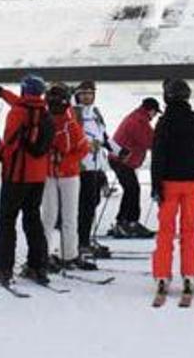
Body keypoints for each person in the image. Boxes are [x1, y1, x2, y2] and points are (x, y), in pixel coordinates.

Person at [150, 79, 194, 297]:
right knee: (189, 228)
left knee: (166, 230)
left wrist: (156, 184)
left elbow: (157, 157)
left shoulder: (163, 124)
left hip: (168, 182)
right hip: (193, 182)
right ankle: (189, 273)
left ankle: (162, 274)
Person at [0, 75, 53, 284]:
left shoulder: (18, 112)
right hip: (38, 177)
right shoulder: (44, 113)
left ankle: (3, 268)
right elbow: (23, 102)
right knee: (33, 219)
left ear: (25, 91)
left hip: (16, 175)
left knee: (7, 221)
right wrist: (3, 94)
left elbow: (11, 143)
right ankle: (38, 266)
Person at [40, 83, 93, 271]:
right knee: (50, 215)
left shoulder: (69, 121)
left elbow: (83, 147)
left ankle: (68, 254)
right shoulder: (45, 119)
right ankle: (44, 254)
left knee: (69, 215)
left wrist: (66, 159)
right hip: (51, 173)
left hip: (67, 174)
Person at [107, 97, 161, 238]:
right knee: (132, 189)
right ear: (151, 111)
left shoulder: (137, 118)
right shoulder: (138, 121)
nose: (154, 117)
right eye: (155, 113)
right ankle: (130, 222)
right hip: (121, 160)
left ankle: (123, 221)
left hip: (122, 160)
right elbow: (149, 142)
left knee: (131, 189)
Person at [74, 80, 113, 259]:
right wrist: (88, 145)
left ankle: (85, 239)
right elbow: (74, 138)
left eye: (90, 93)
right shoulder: (75, 113)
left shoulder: (95, 113)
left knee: (93, 202)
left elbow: (104, 136)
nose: (87, 96)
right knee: (85, 205)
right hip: (83, 166)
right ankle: (80, 241)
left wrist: (118, 150)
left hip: (96, 165)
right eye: (83, 93)